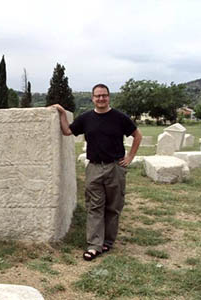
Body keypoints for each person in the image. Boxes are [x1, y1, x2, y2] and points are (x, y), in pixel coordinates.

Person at [52, 83, 142, 261]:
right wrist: (62, 113)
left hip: (115, 167)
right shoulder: (86, 118)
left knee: (113, 207)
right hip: (94, 167)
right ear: (92, 98)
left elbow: (137, 136)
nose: (101, 98)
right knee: (94, 206)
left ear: (109, 97)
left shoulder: (120, 117)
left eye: (104, 95)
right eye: (98, 96)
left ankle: (108, 241)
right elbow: (68, 131)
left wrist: (130, 157)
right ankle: (94, 245)